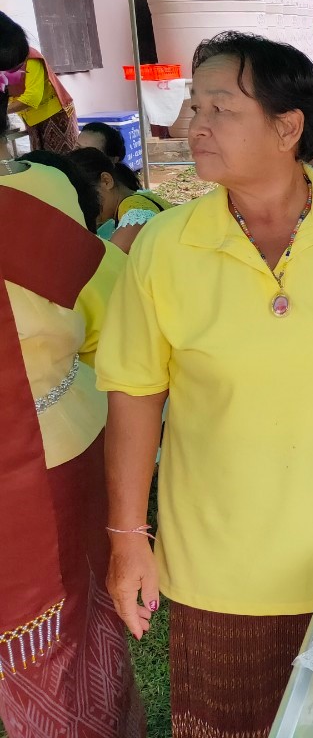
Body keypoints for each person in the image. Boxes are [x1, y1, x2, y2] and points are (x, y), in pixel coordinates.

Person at [96, 32, 313, 738]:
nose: (195, 126)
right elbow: (133, 393)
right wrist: (129, 536)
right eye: (195, 108)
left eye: (220, 108)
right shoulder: (164, 246)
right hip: (217, 566)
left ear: (287, 128)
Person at [0, 146, 145, 738]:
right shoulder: (44, 187)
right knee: (75, 626)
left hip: (42, 455)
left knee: (56, 633)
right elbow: (108, 301)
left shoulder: (37, 191)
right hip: (61, 429)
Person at [68, 146, 174, 252]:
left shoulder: (135, 211)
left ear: (106, 181)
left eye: (83, 198)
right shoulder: (138, 200)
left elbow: (109, 263)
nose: (82, 208)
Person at [1, 11, 79, 153]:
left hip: (53, 115)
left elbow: (32, 98)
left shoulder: (30, 58)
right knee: (42, 160)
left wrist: (3, 110)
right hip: (32, 118)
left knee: (60, 162)